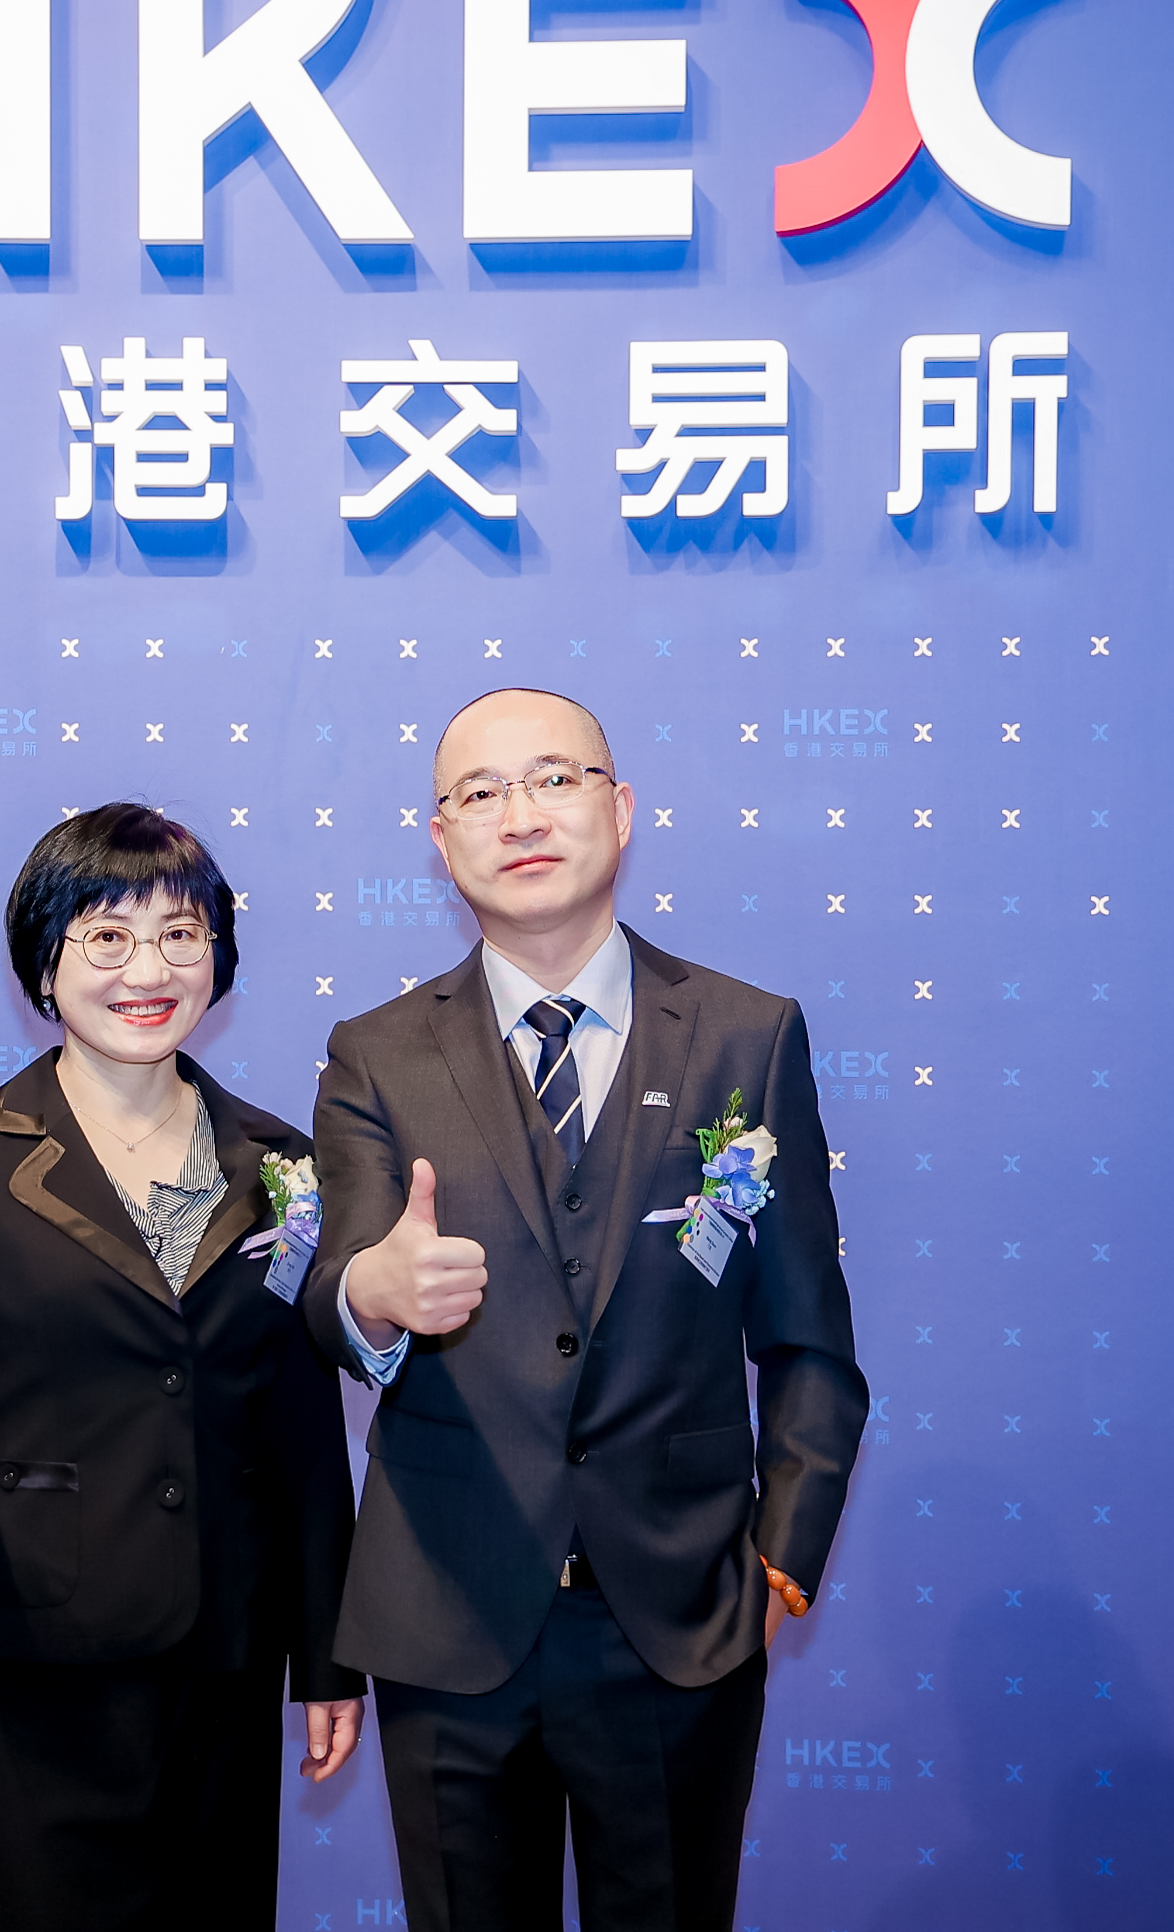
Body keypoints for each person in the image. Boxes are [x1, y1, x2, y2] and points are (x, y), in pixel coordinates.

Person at [302, 689, 869, 1932]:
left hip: (677, 1611)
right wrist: (374, 1295)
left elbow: (810, 1334)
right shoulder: (375, 1052)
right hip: (446, 1610)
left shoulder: (745, 1033)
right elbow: (335, 1288)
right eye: (480, 792)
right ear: (441, 838)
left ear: (620, 810)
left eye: (554, 778)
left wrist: (784, 1544)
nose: (520, 815)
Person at [0, 803, 367, 1930]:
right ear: (45, 964)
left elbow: (302, 1428)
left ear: (217, 956)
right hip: (32, 1648)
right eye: (107, 936)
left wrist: (328, 1656)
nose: (148, 969)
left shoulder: (280, 1160)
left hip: (225, 1652)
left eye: (181, 934)